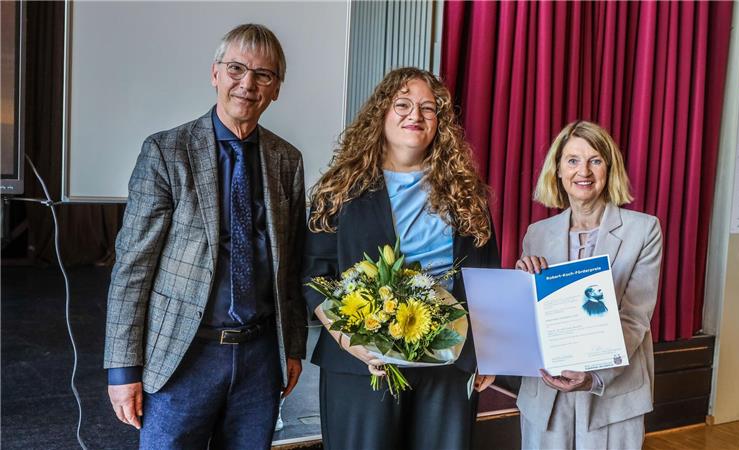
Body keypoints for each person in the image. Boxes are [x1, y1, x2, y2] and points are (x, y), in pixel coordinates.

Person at [103, 24, 307, 449]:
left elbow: (290, 267)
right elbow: (132, 268)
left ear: (276, 89)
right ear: (215, 74)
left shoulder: (287, 160)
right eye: (236, 69)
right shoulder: (166, 152)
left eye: (263, 75)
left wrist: (292, 348)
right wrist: (123, 370)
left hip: (259, 360)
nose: (247, 84)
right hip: (182, 357)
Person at [303, 67, 500, 450]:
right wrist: (351, 342)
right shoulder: (339, 190)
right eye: (403, 105)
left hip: (448, 366)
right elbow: (315, 276)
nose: (416, 115)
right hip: (363, 367)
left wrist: (489, 354)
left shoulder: (466, 195)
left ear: (439, 123)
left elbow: (488, 277)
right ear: (381, 113)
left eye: (428, 108)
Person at [515, 121, 662, 449]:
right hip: (546, 396)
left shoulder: (644, 230)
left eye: (595, 160)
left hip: (611, 395)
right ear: (558, 170)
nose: (583, 171)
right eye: (572, 160)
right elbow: (529, 319)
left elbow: (634, 318)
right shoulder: (536, 234)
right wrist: (521, 285)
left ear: (609, 169)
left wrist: (594, 375)